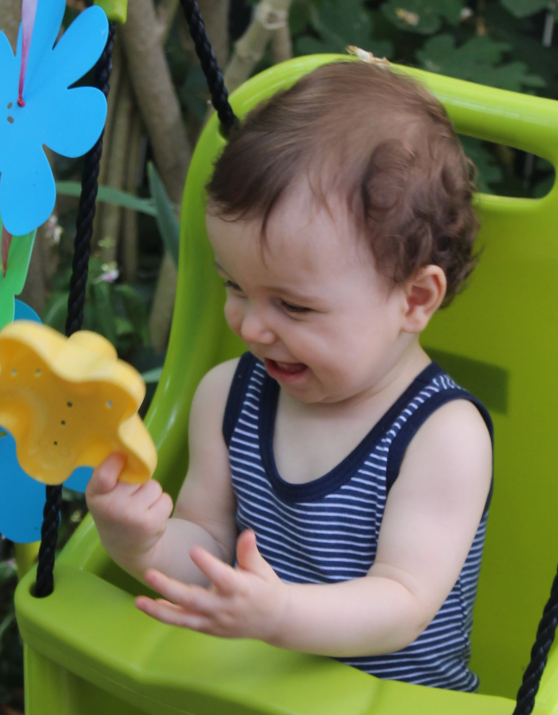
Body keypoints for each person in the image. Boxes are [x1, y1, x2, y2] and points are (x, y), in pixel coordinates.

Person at [86, 61, 493, 692]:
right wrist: (140, 543)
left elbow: (403, 604)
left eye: (294, 306)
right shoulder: (230, 397)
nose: (251, 327)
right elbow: (209, 557)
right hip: (248, 691)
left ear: (415, 299)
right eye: (236, 288)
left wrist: (279, 615)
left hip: (395, 704)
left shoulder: (443, 436)